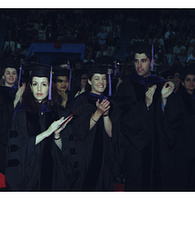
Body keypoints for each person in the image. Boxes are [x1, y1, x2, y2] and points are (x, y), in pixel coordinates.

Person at [5, 64, 78, 191]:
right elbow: (18, 150)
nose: (39, 88)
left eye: (44, 84)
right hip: (29, 175)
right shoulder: (21, 114)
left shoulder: (59, 113)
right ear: (30, 87)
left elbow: (65, 153)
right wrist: (47, 132)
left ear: (50, 87)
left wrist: (56, 135)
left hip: (53, 172)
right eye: (35, 84)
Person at [115, 41, 172, 190]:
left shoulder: (160, 84)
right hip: (136, 148)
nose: (139, 65)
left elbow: (168, 120)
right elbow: (123, 117)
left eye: (144, 61)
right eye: (136, 61)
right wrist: (145, 105)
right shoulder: (126, 86)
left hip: (157, 145)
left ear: (152, 62)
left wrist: (164, 100)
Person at [68, 65, 122, 190]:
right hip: (84, 156)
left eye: (104, 79)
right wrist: (97, 113)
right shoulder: (79, 102)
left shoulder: (112, 104)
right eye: (97, 79)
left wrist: (106, 115)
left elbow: (112, 135)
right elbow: (79, 132)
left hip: (103, 157)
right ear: (89, 81)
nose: (101, 82)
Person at [157, 66, 195, 190]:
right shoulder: (177, 98)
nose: (191, 83)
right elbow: (171, 120)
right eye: (188, 80)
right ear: (183, 82)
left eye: (194, 80)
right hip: (181, 147)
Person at [0, 58, 25, 174]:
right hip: (2, 141)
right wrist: (15, 101)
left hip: (19, 139)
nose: (11, 76)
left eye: (14, 73)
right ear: (3, 76)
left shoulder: (22, 92)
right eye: (8, 73)